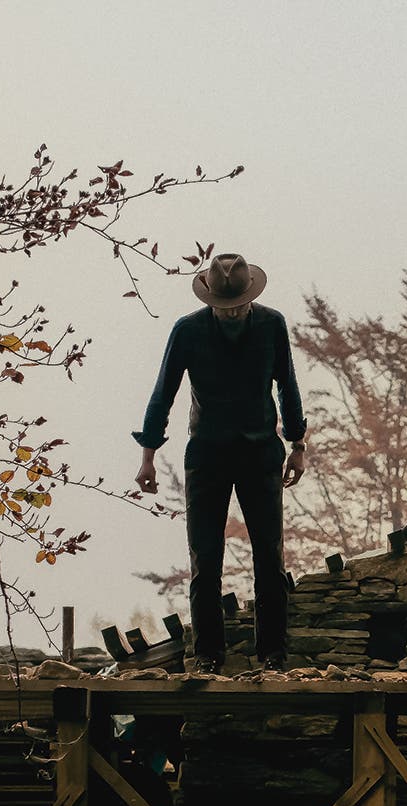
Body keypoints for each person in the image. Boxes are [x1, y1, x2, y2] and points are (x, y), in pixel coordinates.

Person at [133, 253, 307, 673]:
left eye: (239, 304)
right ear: (209, 299)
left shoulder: (271, 324)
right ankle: (207, 656)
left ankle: (273, 656)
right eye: (224, 306)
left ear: (250, 297)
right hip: (207, 454)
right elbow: (163, 392)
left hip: (260, 452)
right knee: (205, 558)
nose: (232, 312)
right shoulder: (188, 330)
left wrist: (298, 443)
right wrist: (148, 457)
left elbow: (287, 384)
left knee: (269, 556)